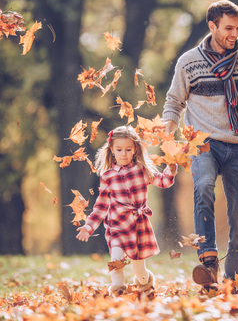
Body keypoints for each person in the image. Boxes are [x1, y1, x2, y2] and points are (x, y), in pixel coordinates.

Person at [162, 0, 238, 288]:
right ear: (212, 26)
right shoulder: (188, 62)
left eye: (237, 27)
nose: (234, 33)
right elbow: (174, 102)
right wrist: (167, 135)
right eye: (228, 28)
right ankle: (208, 260)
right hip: (203, 143)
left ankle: (231, 278)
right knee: (203, 186)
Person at [76, 126, 178, 296]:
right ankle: (118, 292)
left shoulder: (142, 170)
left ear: (135, 150)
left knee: (139, 269)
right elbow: (101, 205)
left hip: (138, 226)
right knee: (116, 260)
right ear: (112, 150)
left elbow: (163, 182)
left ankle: (146, 286)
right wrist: (88, 227)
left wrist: (171, 170)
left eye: (128, 149)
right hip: (117, 225)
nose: (124, 153)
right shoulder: (107, 176)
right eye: (119, 149)